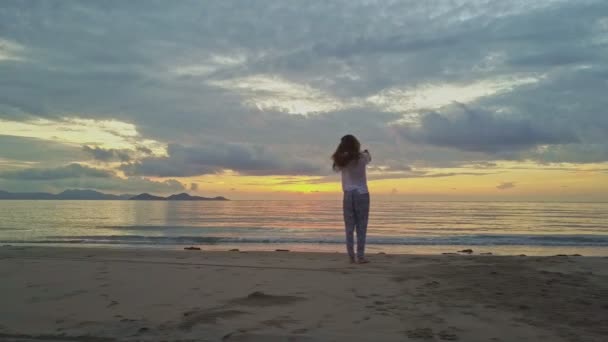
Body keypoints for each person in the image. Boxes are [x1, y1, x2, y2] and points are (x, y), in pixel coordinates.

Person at [331, 134, 371, 264]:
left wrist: (342, 154)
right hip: (362, 193)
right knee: (361, 226)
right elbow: (369, 158)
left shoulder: (341, 160)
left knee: (349, 227)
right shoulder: (362, 157)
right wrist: (366, 152)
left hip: (348, 194)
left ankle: (351, 257)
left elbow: (336, 168)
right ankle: (360, 256)